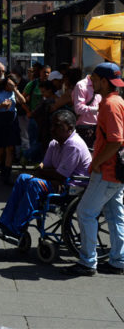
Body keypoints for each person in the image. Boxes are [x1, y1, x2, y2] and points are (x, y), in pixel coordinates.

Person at [0, 110, 91, 242]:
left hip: (71, 187)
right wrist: (47, 172)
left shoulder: (73, 144)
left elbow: (60, 175)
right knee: (23, 178)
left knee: (34, 184)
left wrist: (47, 172)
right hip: (56, 182)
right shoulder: (54, 143)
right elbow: (44, 167)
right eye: (52, 125)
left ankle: (16, 229)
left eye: (57, 126)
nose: (52, 129)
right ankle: (4, 222)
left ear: (69, 127)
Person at [63, 63, 124, 277]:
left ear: (104, 81)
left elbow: (116, 141)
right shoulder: (116, 101)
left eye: (95, 80)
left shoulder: (109, 104)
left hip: (107, 170)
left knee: (86, 212)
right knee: (115, 214)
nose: (92, 83)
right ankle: (118, 260)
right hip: (115, 171)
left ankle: (88, 262)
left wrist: (97, 163)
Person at [0, 74, 26, 184]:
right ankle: (2, 169)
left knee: (10, 148)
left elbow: (23, 101)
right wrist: (1, 106)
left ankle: (7, 174)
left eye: (14, 85)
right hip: (0, 121)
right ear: (5, 83)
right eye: (10, 85)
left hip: (12, 121)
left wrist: (15, 90)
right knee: (1, 149)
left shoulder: (14, 92)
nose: (11, 87)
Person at [23, 64, 51, 163]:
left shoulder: (51, 84)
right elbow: (22, 99)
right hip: (34, 118)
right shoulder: (32, 84)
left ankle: (38, 160)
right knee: (34, 140)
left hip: (46, 119)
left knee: (43, 141)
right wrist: (28, 111)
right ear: (40, 72)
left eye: (48, 72)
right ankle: (31, 158)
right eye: (44, 72)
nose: (46, 74)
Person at [72, 71, 102, 148]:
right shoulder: (81, 85)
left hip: (98, 127)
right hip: (85, 128)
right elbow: (78, 108)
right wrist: (97, 109)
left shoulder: (100, 86)